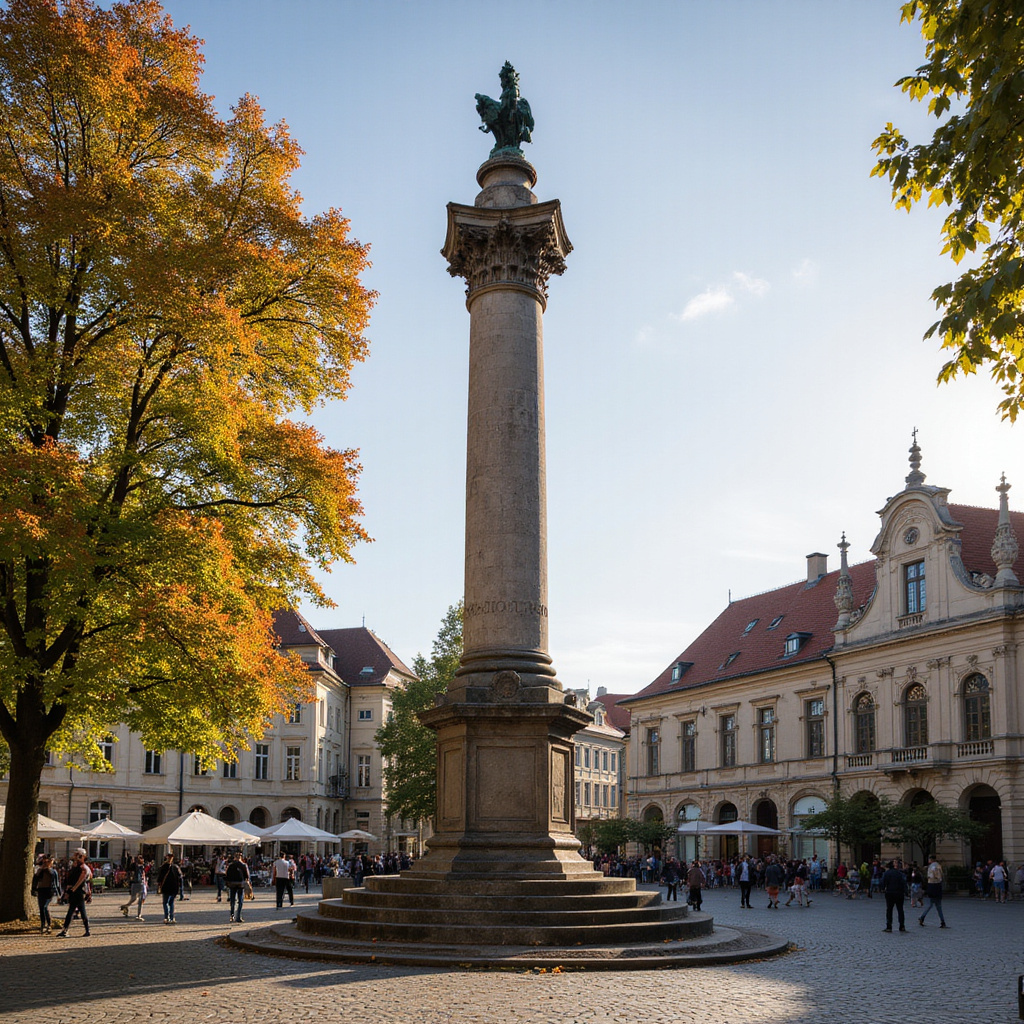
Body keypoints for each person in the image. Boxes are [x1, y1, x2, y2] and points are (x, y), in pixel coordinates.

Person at [57, 848, 92, 938]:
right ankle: (86, 930)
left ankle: (66, 930)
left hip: (79, 891)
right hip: (75, 891)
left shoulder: (83, 867)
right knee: (78, 911)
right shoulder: (75, 866)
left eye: (77, 855)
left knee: (74, 911)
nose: (75, 856)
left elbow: (82, 879)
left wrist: (74, 888)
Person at [31, 854, 61, 934]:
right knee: (41, 908)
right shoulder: (40, 870)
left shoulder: (53, 871)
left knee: (45, 907)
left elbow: (56, 882)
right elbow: (35, 879)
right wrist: (33, 889)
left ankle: (49, 924)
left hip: (49, 891)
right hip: (41, 890)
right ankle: (43, 924)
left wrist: (59, 894)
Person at [919, 853, 947, 927]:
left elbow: (931, 876)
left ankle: (922, 917)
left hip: (932, 885)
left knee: (930, 904)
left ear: (931, 859)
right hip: (937, 886)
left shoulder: (931, 867)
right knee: (938, 906)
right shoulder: (938, 866)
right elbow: (940, 877)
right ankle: (942, 921)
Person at [881, 858, 907, 931]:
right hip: (899, 893)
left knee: (889, 910)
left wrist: (883, 889)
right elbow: (904, 883)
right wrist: (906, 892)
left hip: (890, 893)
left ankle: (889, 926)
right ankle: (902, 926)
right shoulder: (900, 873)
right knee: (900, 910)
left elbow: (883, 883)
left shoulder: (886, 873)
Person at [120, 854, 148, 920]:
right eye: (141, 858)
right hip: (136, 884)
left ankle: (139, 915)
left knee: (140, 899)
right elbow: (128, 870)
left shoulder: (143, 867)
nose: (142, 860)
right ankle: (125, 907)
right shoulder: (135, 866)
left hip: (141, 884)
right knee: (134, 899)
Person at [157, 852, 183, 924]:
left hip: (166, 887)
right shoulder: (176, 867)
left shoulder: (163, 867)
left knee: (165, 903)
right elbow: (180, 877)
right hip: (174, 887)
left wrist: (159, 885)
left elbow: (160, 877)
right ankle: (171, 917)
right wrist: (180, 887)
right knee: (171, 903)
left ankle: (166, 917)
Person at [225, 851, 251, 923]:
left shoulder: (230, 865)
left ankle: (232, 916)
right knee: (240, 901)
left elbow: (227, 875)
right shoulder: (243, 865)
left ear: (234, 857)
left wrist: (227, 882)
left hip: (232, 884)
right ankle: (238, 916)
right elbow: (247, 876)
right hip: (240, 884)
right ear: (240, 857)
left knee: (232, 900)